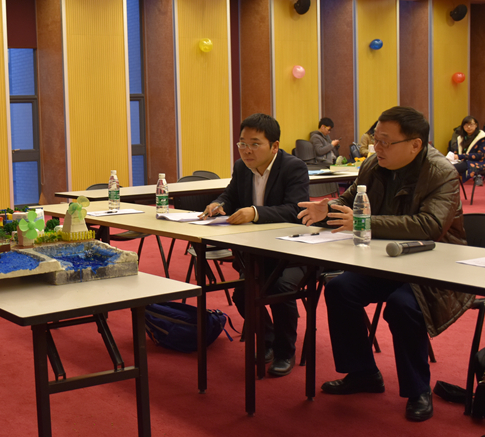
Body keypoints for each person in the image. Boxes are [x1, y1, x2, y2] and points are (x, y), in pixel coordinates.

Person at [297, 106, 473, 422]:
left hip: (433, 266)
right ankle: (363, 372)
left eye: (385, 142)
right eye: (375, 139)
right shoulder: (372, 165)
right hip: (385, 259)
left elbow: (430, 225)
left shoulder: (440, 172)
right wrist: (328, 208)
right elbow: (350, 200)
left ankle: (418, 390)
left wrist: (366, 221)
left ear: (415, 144)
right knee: (339, 289)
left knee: (403, 306)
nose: (376, 147)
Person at [201, 113, 310, 377]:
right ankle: (268, 340)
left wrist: (255, 212)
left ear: (274, 146)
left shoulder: (293, 167)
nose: (247, 150)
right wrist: (219, 204)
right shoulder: (241, 167)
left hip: (293, 252)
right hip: (257, 252)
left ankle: (285, 352)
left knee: (280, 288)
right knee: (243, 293)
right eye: (242, 143)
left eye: (255, 144)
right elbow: (230, 195)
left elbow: (296, 209)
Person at [450, 116, 485, 185]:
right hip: (463, 161)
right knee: (447, 165)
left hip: (480, 162)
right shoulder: (460, 138)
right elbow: (456, 152)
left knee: (453, 168)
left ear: (476, 125)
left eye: (471, 124)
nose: (468, 127)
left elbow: (481, 155)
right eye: (466, 125)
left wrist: (460, 156)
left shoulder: (482, 137)